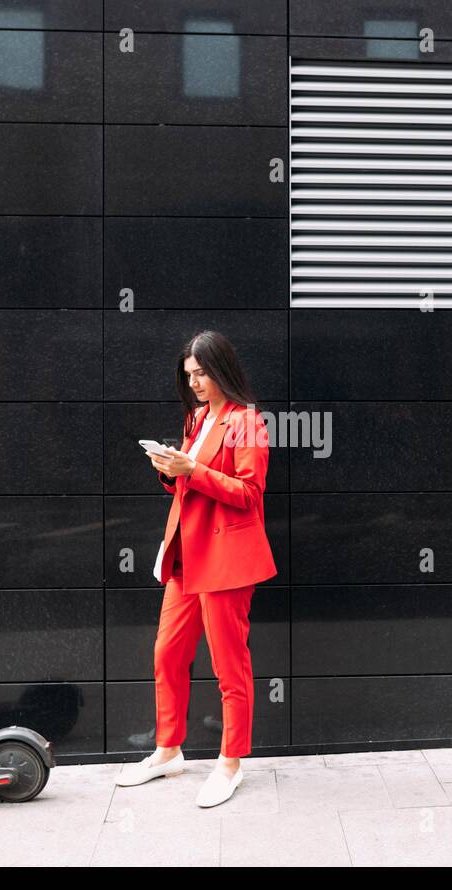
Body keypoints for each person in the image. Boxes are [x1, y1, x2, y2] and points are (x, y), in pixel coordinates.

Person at [115, 330, 277, 807]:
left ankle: (230, 762)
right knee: (167, 652)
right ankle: (169, 750)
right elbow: (188, 486)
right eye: (189, 376)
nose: (196, 383)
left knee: (230, 666)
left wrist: (192, 471)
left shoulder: (246, 421)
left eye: (202, 373)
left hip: (226, 560)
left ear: (221, 368)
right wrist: (170, 470)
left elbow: (249, 492)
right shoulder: (196, 417)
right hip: (187, 555)